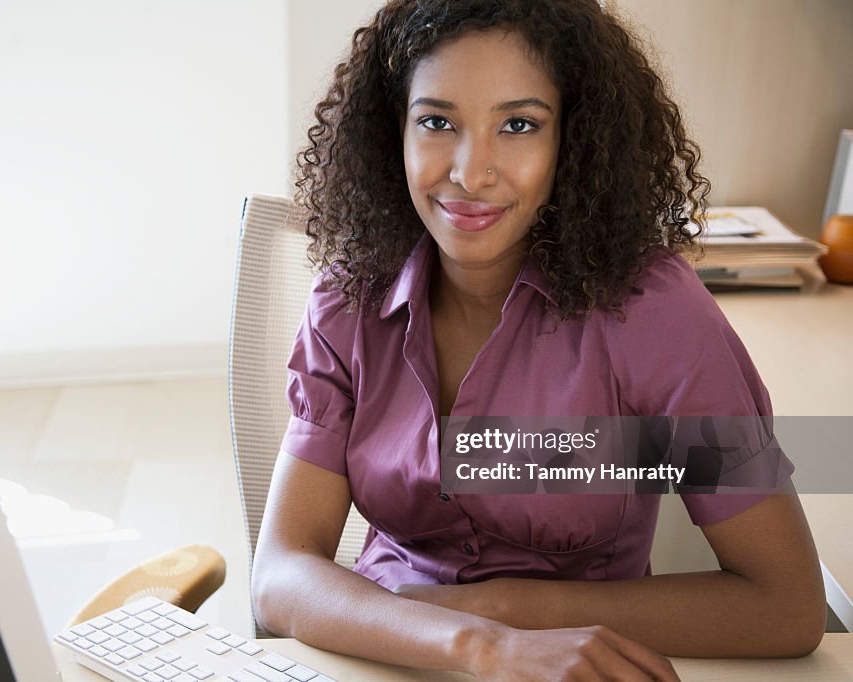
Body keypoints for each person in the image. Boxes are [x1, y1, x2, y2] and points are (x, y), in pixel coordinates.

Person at [251, 1, 826, 679]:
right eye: (437, 122)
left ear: (574, 141)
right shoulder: (348, 302)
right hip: (385, 651)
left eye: (518, 125)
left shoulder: (656, 315)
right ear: (393, 133)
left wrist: (508, 611)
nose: (470, 170)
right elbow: (280, 575)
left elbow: (785, 605)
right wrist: (480, 642)